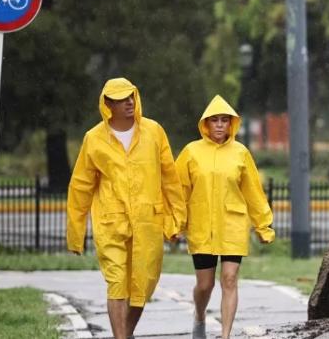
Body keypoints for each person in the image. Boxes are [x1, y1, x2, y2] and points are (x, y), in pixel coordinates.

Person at [66, 78, 186, 339]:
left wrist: (176, 219)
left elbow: (170, 179)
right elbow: (80, 188)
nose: (129, 102)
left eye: (131, 96)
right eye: (121, 99)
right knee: (117, 283)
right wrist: (76, 235)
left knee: (143, 286)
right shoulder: (94, 139)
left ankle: (125, 334)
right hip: (111, 224)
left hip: (148, 222)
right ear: (108, 104)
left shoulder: (154, 132)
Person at [175, 95, 275, 339]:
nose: (219, 125)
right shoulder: (191, 152)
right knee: (205, 285)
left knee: (229, 279)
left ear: (231, 124)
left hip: (233, 225)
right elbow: (177, 192)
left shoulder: (241, 153)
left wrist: (263, 226)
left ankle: (225, 335)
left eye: (224, 120)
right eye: (214, 120)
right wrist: (175, 224)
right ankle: (199, 317)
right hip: (201, 227)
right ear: (205, 124)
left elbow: (254, 192)